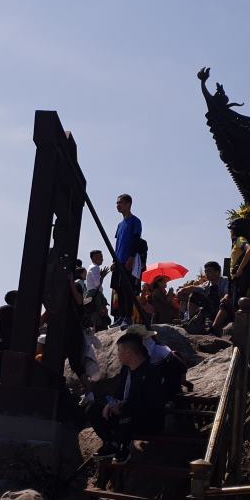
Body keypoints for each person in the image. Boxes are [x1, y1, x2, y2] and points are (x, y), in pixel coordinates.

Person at [85, 333, 167, 460]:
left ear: (129, 352)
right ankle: (111, 444)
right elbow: (119, 394)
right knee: (92, 408)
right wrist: (110, 404)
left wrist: (122, 406)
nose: (118, 354)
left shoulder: (151, 372)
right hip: (125, 416)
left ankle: (123, 449)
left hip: (146, 420)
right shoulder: (125, 370)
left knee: (126, 409)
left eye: (119, 351)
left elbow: (151, 403)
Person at [177, 261, 232, 335]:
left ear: (217, 272)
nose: (207, 274)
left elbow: (227, 293)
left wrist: (225, 298)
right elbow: (194, 288)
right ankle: (190, 321)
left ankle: (213, 329)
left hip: (222, 309)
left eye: (209, 271)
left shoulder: (225, 280)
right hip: (210, 309)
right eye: (206, 271)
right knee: (194, 295)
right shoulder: (207, 284)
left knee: (225, 303)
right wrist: (182, 290)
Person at [112, 193, 142, 326]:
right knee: (117, 288)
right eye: (117, 203)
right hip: (118, 261)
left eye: (120, 202)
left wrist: (131, 257)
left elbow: (136, 241)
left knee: (126, 288)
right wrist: (114, 260)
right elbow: (118, 243)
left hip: (128, 260)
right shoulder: (120, 224)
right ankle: (120, 316)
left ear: (128, 204)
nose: (118, 205)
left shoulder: (135, 221)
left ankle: (127, 317)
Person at [227, 213, 250, 301]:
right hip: (235, 281)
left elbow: (249, 250)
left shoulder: (239, 239)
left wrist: (239, 269)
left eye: (231, 230)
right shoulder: (236, 242)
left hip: (239, 280)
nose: (230, 232)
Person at [85, 250, 110, 330]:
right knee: (99, 317)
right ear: (94, 258)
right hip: (95, 295)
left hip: (91, 294)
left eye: (101, 257)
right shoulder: (95, 267)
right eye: (100, 257)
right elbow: (97, 284)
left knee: (94, 316)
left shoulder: (91, 267)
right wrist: (102, 276)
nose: (102, 259)